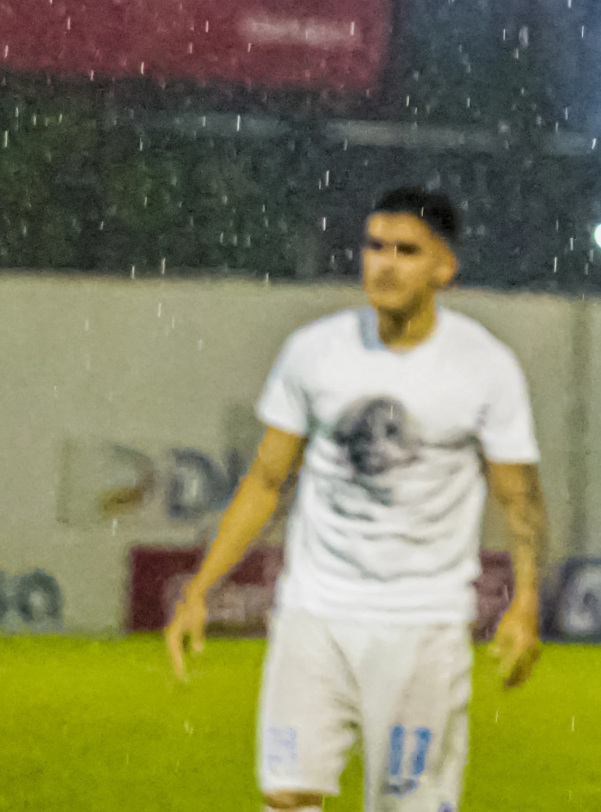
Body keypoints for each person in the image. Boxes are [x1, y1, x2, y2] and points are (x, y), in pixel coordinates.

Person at [164, 187, 546, 812]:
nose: (384, 264)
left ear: (444, 268)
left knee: (408, 806)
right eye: (374, 246)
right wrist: (201, 587)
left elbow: (520, 498)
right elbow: (265, 480)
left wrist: (526, 600)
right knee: (286, 795)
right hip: (314, 613)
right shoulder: (314, 351)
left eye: (406, 250)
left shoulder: (485, 367)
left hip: (423, 623)